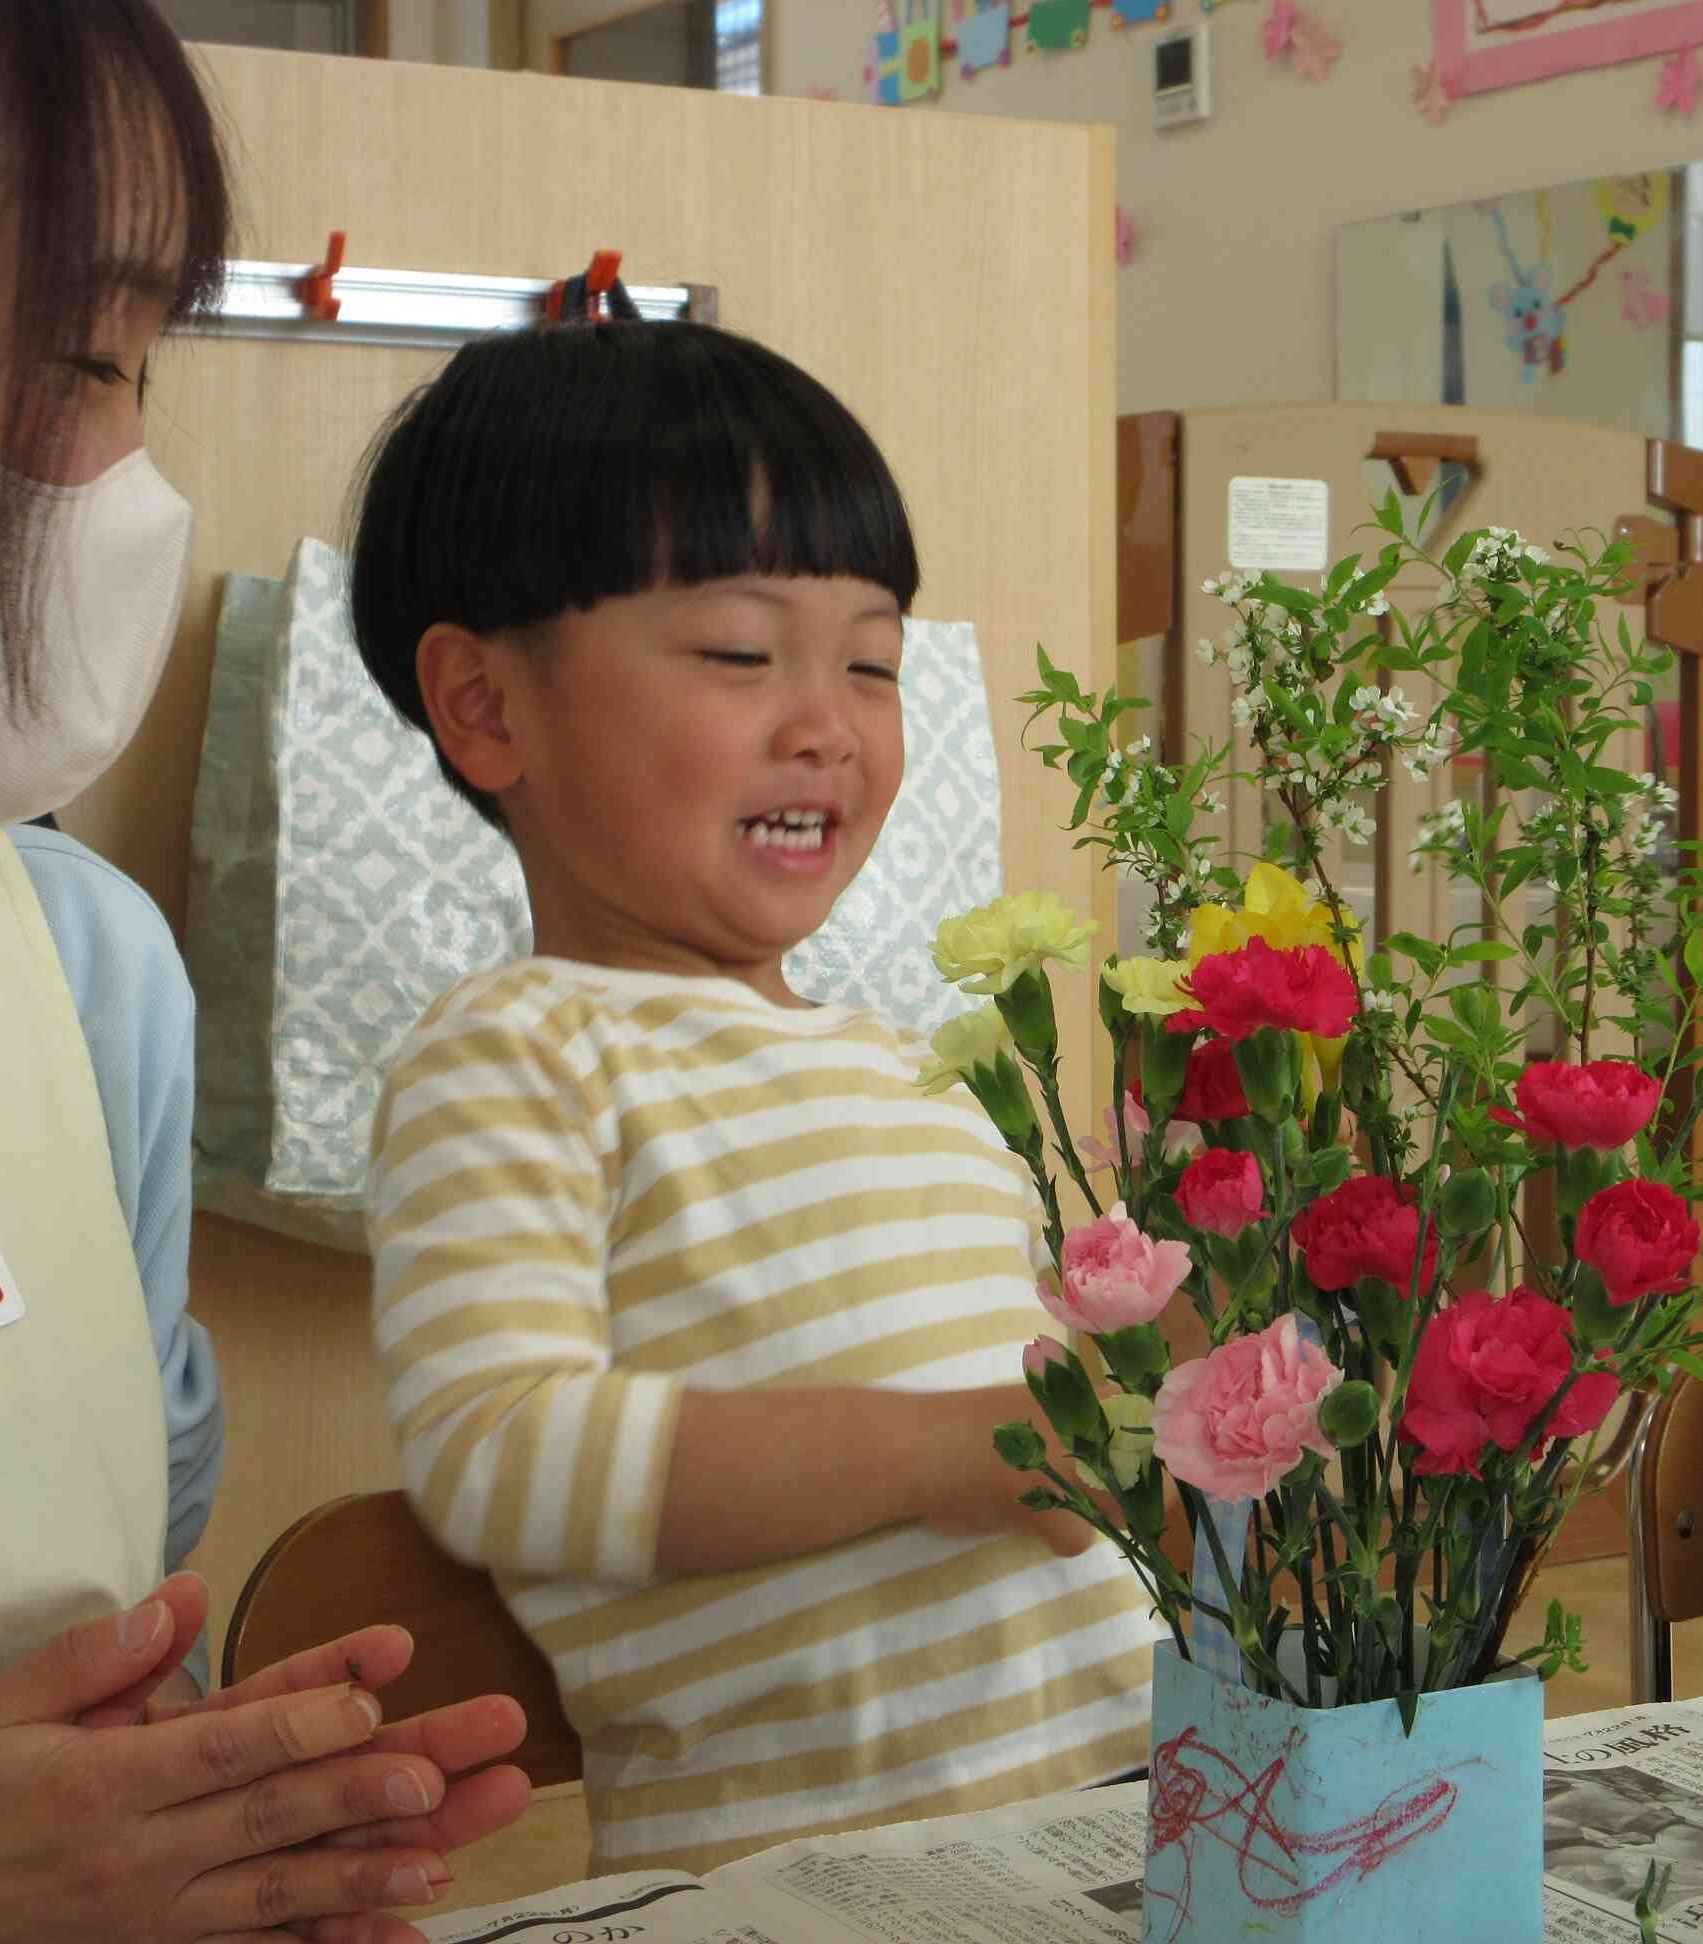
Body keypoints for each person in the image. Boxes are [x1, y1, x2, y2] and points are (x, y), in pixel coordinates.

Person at [0, 5, 528, 1935]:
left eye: (147, 364)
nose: (127, 481)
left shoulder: (83, 978)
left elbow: (86, 1648)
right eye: (85, 353)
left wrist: (196, 1837)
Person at [350, 320, 1159, 1876]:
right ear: (486, 706)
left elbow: (1046, 1457)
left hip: (1117, 1830)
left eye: (873, 662)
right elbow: (497, 1447)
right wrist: (969, 1451)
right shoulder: (520, 1053)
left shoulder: (906, 1071)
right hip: (810, 1885)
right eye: (741, 652)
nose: (828, 722)